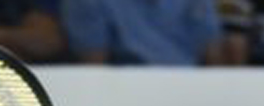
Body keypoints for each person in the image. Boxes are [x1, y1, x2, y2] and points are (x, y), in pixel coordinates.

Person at [60, 0, 225, 65]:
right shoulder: (87, 2)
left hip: (191, 93)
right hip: (124, 96)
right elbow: (92, 74)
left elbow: (212, 55)